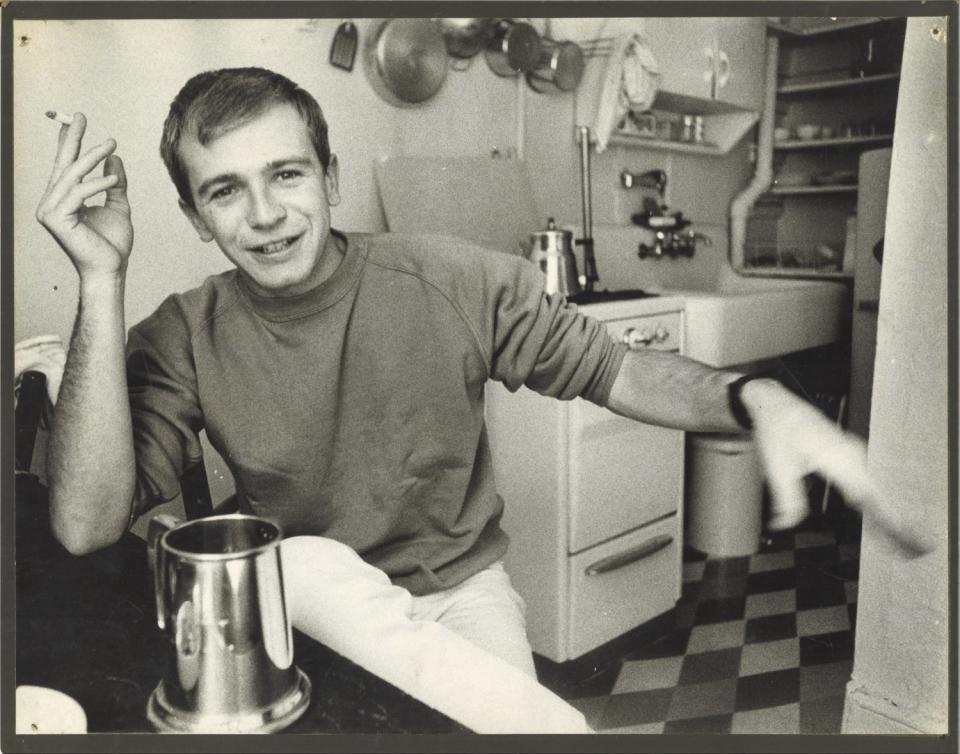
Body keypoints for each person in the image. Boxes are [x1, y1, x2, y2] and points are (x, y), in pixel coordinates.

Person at [34, 67, 922, 688]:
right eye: (225, 192)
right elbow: (83, 525)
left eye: (287, 174)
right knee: (305, 571)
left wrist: (754, 395)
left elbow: (616, 369)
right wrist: (100, 279)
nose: (265, 215)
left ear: (331, 178)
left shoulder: (453, 279)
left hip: (461, 597)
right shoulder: (184, 335)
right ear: (193, 218)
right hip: (306, 606)